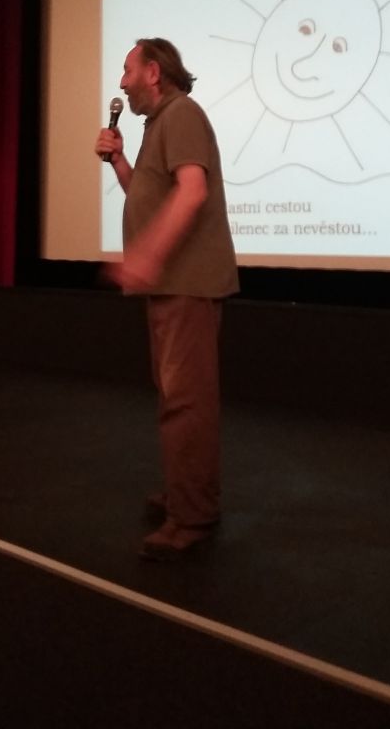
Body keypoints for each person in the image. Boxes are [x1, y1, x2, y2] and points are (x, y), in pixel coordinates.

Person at [95, 38, 238, 560]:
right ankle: (187, 494)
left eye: (127, 70)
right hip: (171, 285)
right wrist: (119, 162)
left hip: (185, 283)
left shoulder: (181, 115)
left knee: (186, 402)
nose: (121, 82)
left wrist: (147, 256)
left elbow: (192, 191)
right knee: (178, 398)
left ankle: (192, 517)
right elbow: (151, 198)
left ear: (153, 73)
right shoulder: (159, 124)